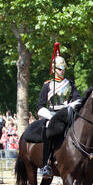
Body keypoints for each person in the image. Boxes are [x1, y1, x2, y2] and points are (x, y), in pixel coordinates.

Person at [37, 42, 81, 178]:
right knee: (47, 131)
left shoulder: (70, 84)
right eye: (59, 69)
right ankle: (46, 164)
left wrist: (70, 107)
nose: (62, 71)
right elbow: (40, 106)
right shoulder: (47, 85)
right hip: (52, 115)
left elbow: (78, 100)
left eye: (63, 69)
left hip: (67, 114)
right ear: (54, 69)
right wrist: (50, 115)